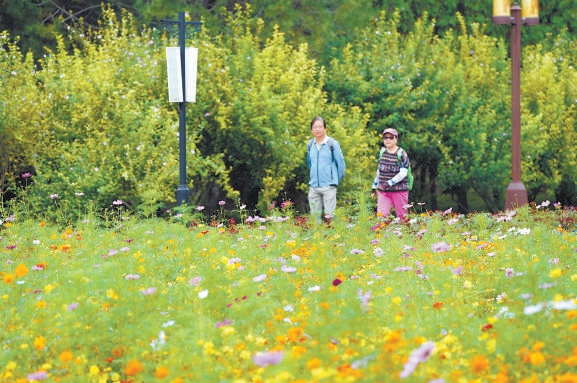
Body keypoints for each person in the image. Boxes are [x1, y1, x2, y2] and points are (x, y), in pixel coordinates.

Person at [306, 116, 346, 224]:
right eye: (315, 127)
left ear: (325, 129)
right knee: (315, 219)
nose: (317, 129)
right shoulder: (310, 145)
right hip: (313, 186)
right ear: (311, 130)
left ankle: (332, 239)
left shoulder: (332, 144)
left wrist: (335, 180)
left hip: (329, 186)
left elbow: (341, 164)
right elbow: (310, 163)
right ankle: (317, 238)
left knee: (330, 217)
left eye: (320, 127)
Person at [371, 128, 410, 220]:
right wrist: (374, 186)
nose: (388, 140)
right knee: (381, 216)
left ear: (396, 139)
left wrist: (390, 182)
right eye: (385, 138)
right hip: (383, 191)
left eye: (391, 138)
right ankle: (380, 233)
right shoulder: (382, 152)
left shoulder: (402, 153)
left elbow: (404, 172)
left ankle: (405, 233)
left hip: (399, 190)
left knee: (402, 217)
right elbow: (379, 171)